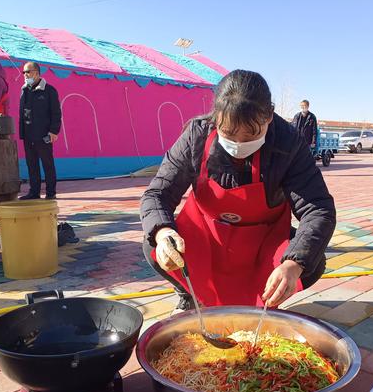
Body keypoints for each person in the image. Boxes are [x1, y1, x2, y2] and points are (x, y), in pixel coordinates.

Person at [140, 70, 336, 312]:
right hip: (206, 234)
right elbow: (157, 194)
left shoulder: (289, 142)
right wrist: (163, 233)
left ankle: (266, 301)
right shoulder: (196, 135)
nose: (240, 145)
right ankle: (189, 294)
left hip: (263, 240)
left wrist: (293, 264)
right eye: (229, 134)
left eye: (252, 134)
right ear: (216, 117)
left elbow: (318, 209)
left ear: (269, 117)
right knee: (154, 248)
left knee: (312, 262)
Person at [18, 61, 62, 200]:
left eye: (28, 72)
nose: (25, 75)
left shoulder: (49, 90)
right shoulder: (24, 90)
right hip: (28, 134)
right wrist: (23, 132)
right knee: (32, 164)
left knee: (47, 164)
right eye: (24, 72)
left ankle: (50, 193)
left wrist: (54, 131)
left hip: (44, 134)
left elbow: (56, 113)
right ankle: (34, 192)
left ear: (36, 73)